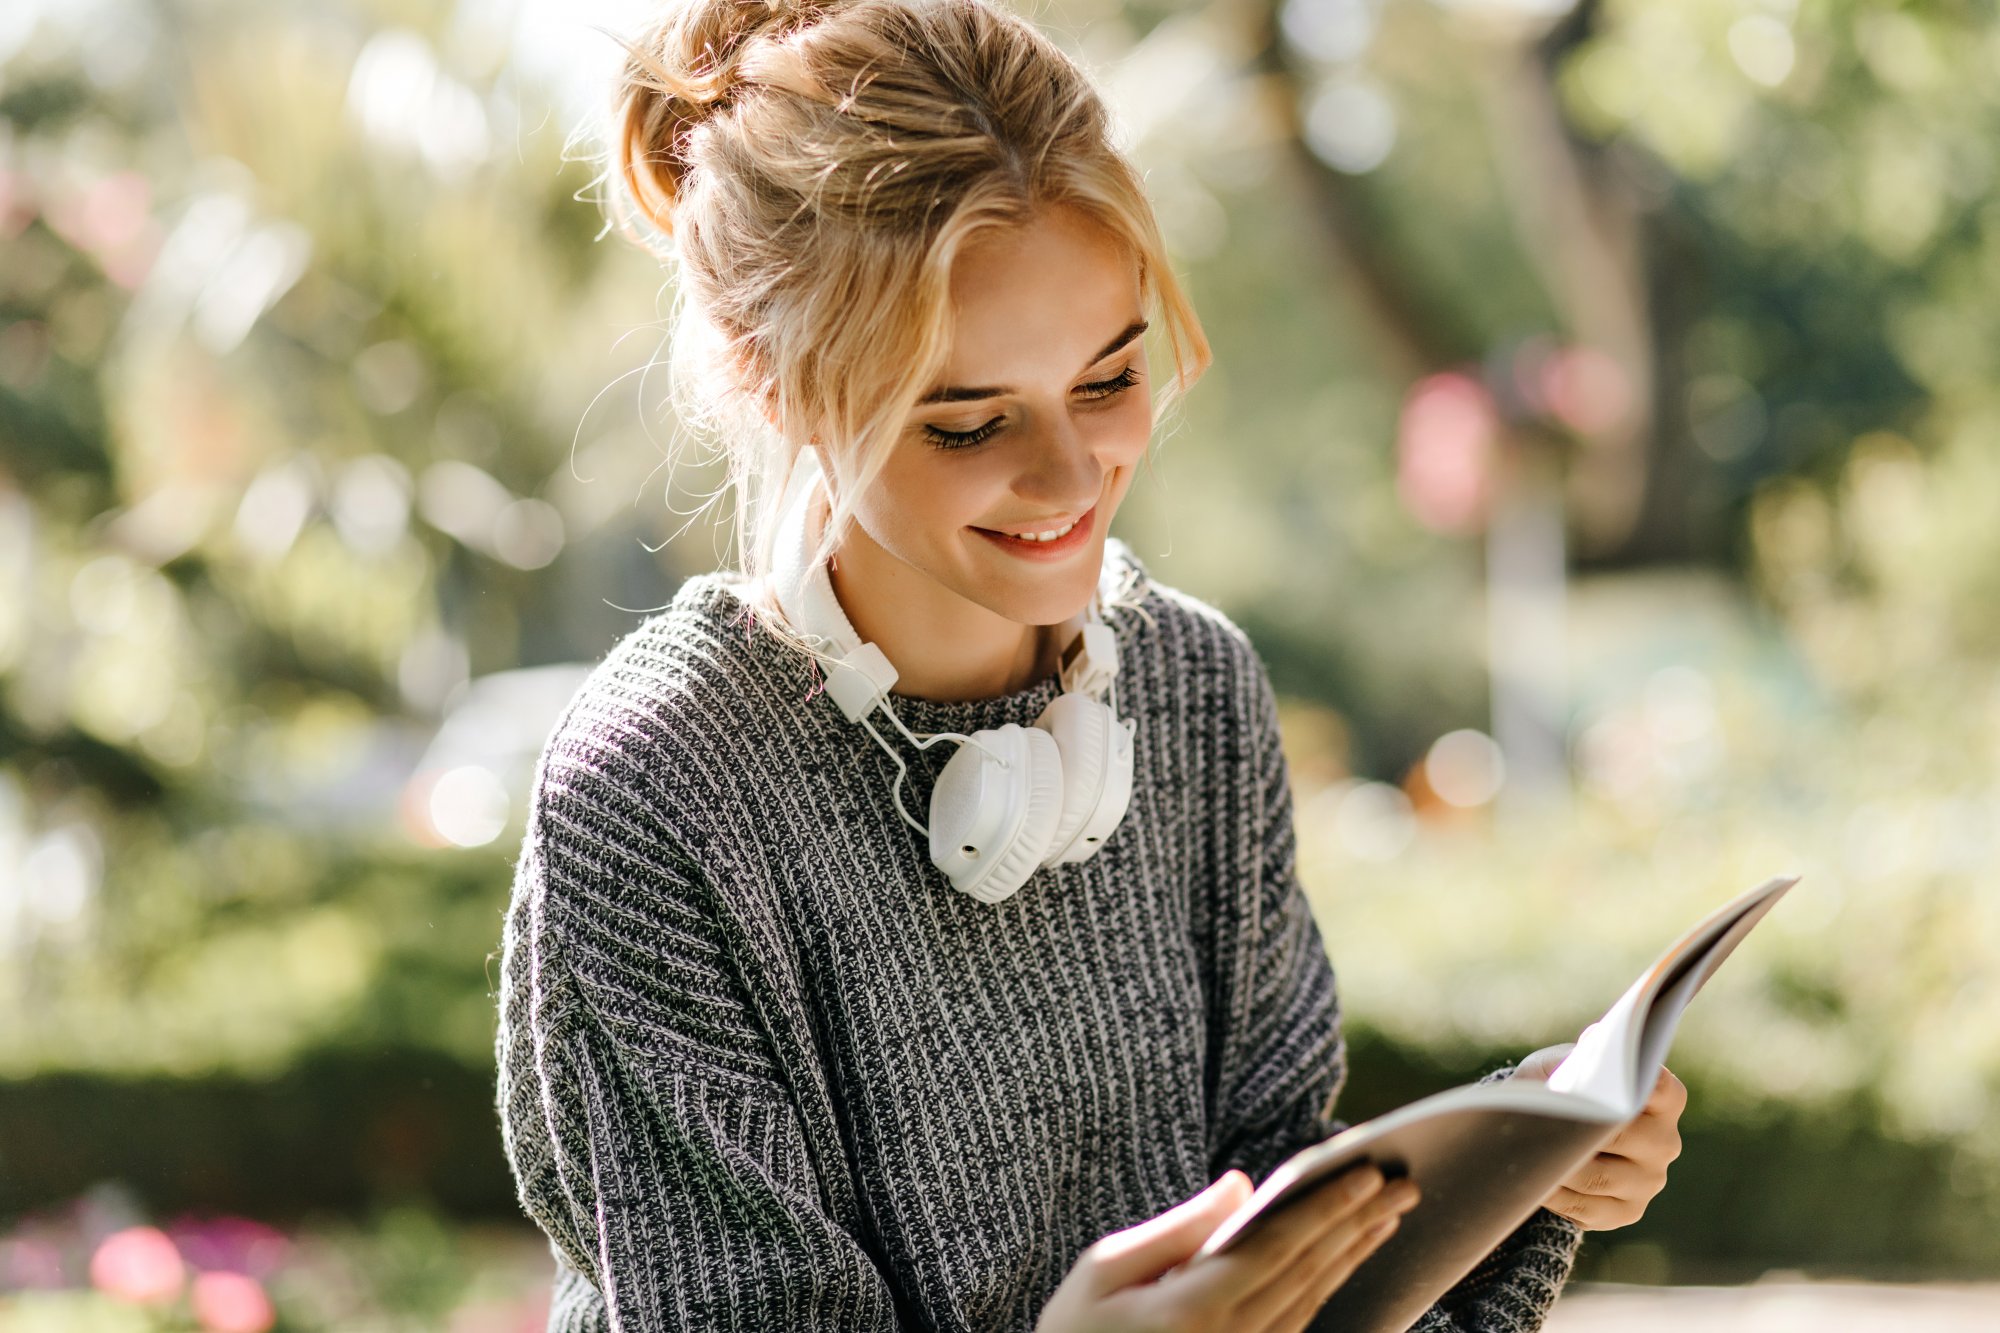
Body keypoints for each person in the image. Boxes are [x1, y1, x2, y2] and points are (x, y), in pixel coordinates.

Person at [492, 1, 1687, 1329]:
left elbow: (1295, 1247)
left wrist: (1513, 1177)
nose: (1070, 478)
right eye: (968, 421)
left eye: (1110, 380)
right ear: (773, 383)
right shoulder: (659, 785)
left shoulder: (1192, 690)